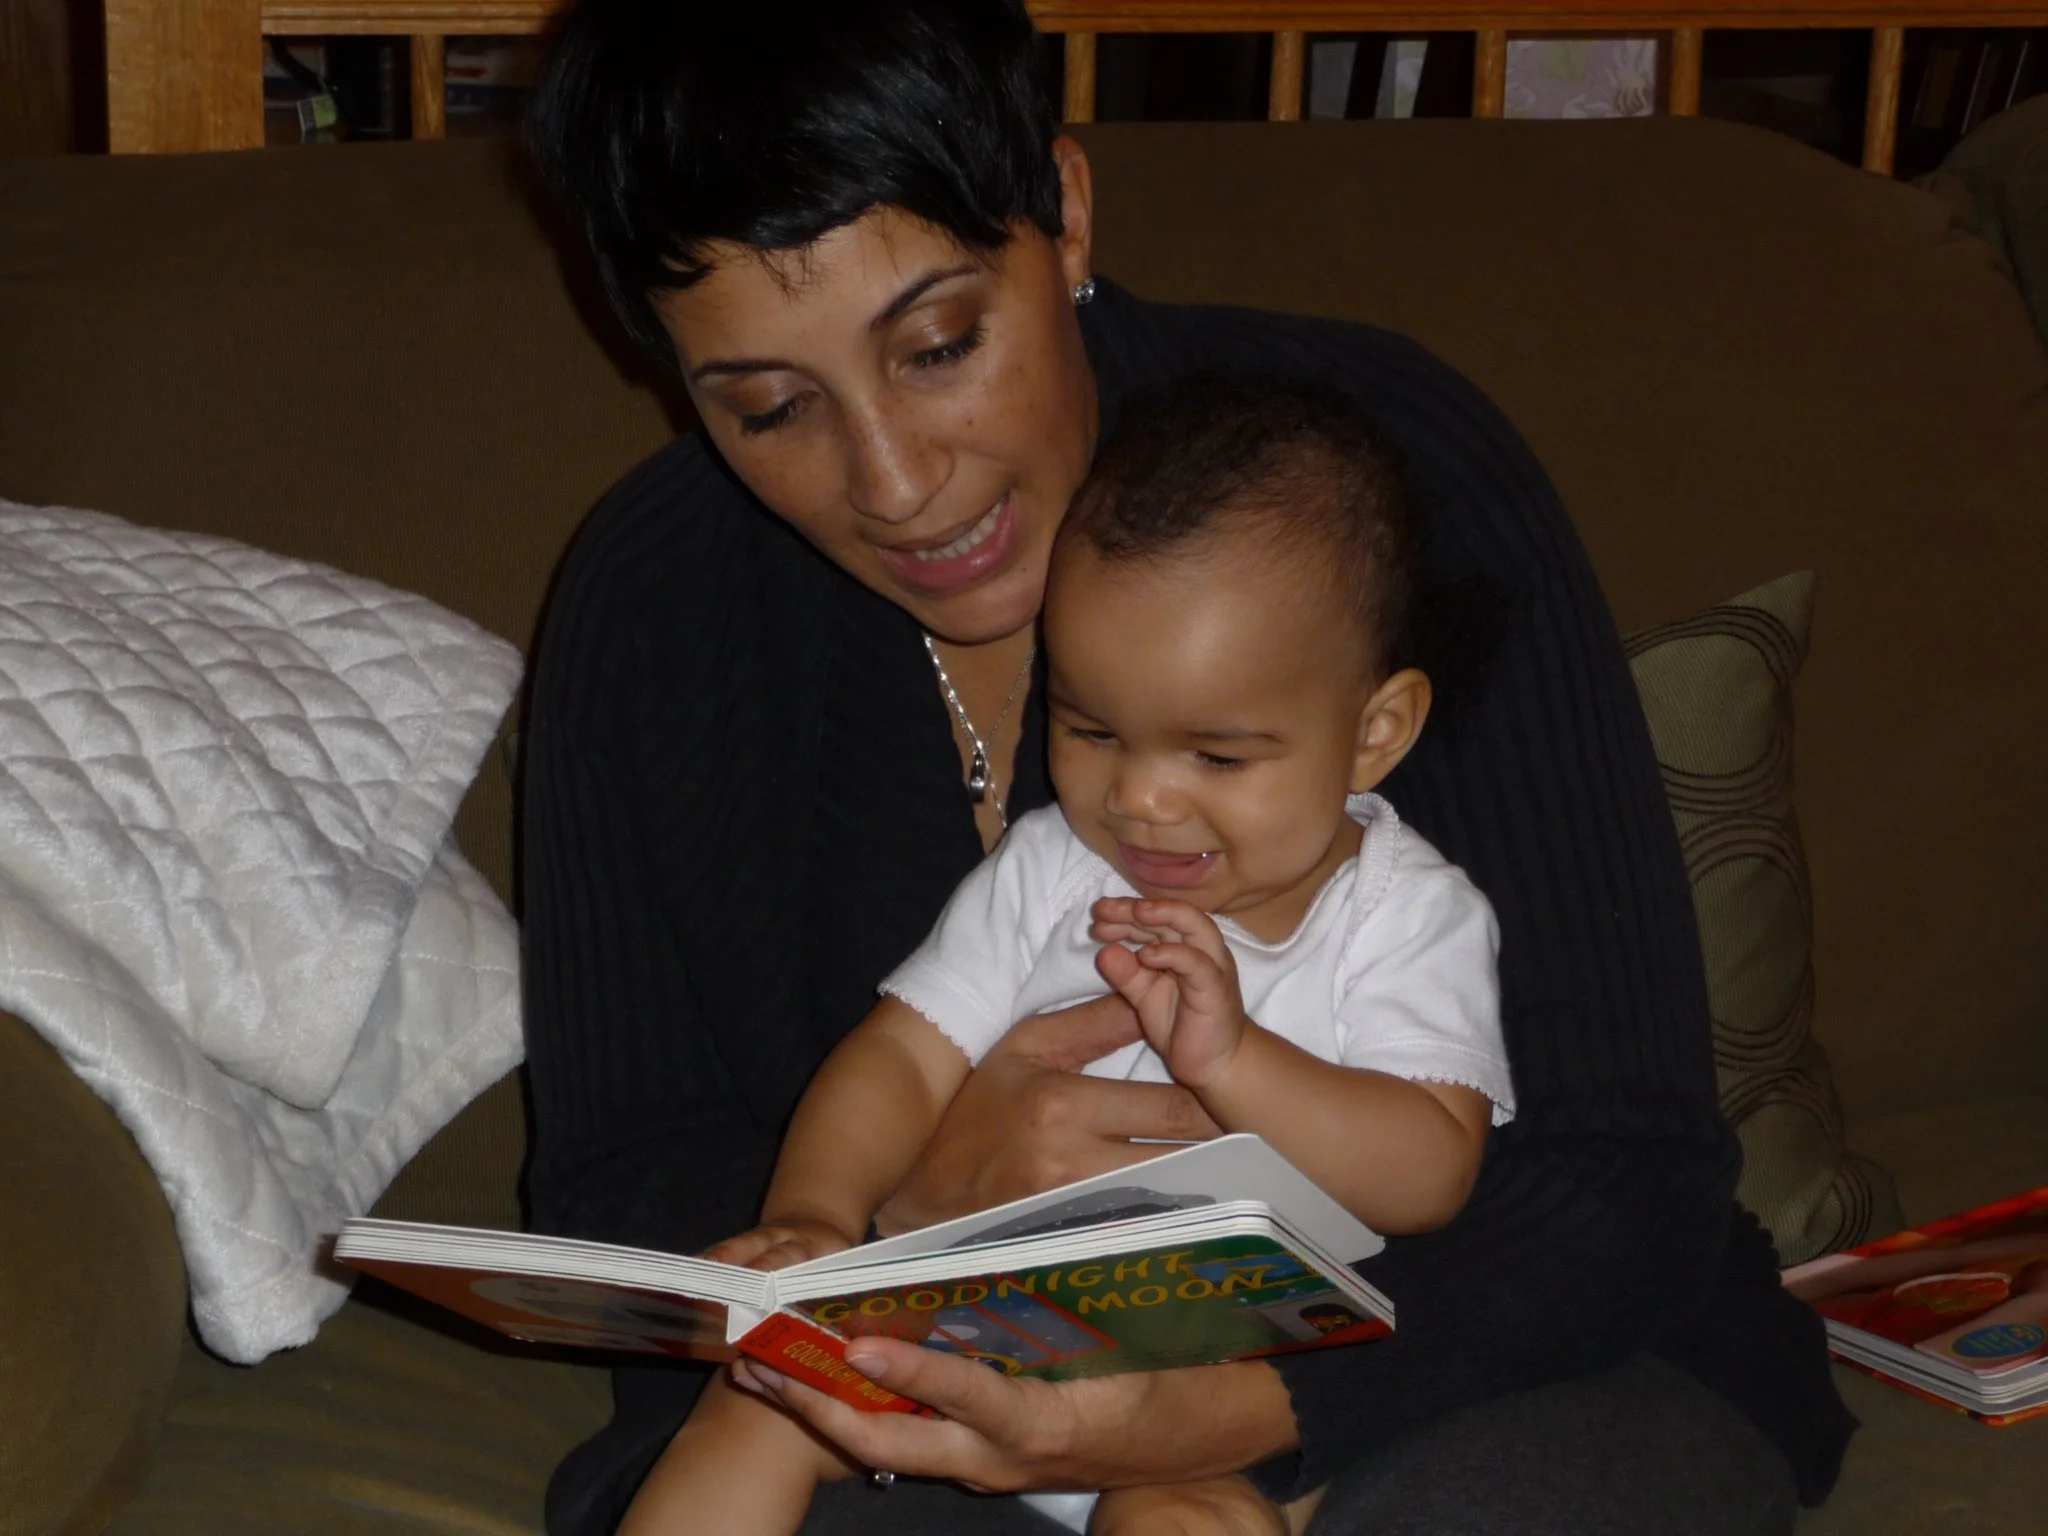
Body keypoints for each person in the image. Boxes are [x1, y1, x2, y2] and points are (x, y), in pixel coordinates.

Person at [520, 2, 1854, 1532]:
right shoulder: (649, 605)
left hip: (1483, 1350)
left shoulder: (1379, 482)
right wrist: (901, 1210)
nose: (893, 481)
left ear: (1066, 212)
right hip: (934, 1359)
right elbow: (622, 1178)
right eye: (768, 407)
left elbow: (1629, 1168)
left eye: (942, 344)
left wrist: (1214, 1412)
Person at [626, 377, 1517, 1536]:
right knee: (750, 1408)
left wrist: (1234, 1058)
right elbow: (901, 1054)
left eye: (1217, 756)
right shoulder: (1052, 864)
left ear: (1373, 733)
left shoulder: (1404, 913)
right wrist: (816, 1216)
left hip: (1201, 1389)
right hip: (983, 1328)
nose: (1139, 800)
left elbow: (1430, 1168)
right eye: (1092, 731)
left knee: (1180, 1521)